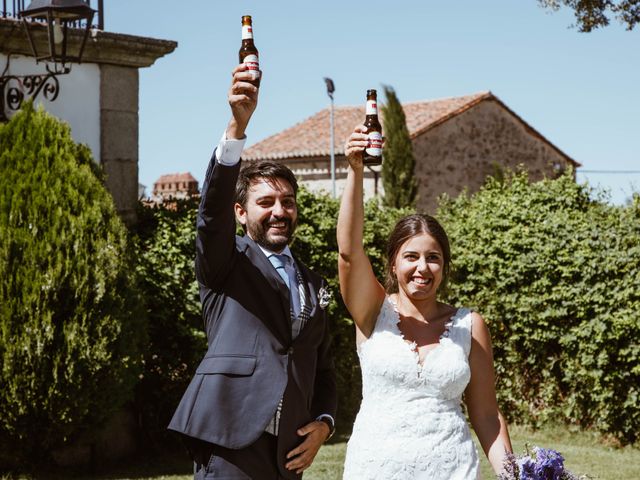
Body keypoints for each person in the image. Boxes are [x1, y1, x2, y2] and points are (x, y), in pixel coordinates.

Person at [168, 64, 337, 480]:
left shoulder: (314, 283)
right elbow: (210, 216)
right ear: (241, 213)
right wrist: (236, 127)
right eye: (266, 202)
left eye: (288, 201)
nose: (280, 211)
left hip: (289, 453)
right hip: (231, 442)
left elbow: (324, 365)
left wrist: (325, 423)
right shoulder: (226, 262)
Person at [338, 125, 512, 479]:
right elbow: (349, 253)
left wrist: (515, 475)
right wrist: (355, 172)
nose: (422, 268)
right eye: (411, 257)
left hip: (453, 469)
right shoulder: (372, 312)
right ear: (393, 264)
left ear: (444, 266)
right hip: (375, 469)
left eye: (433, 258)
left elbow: (486, 415)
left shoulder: (469, 324)